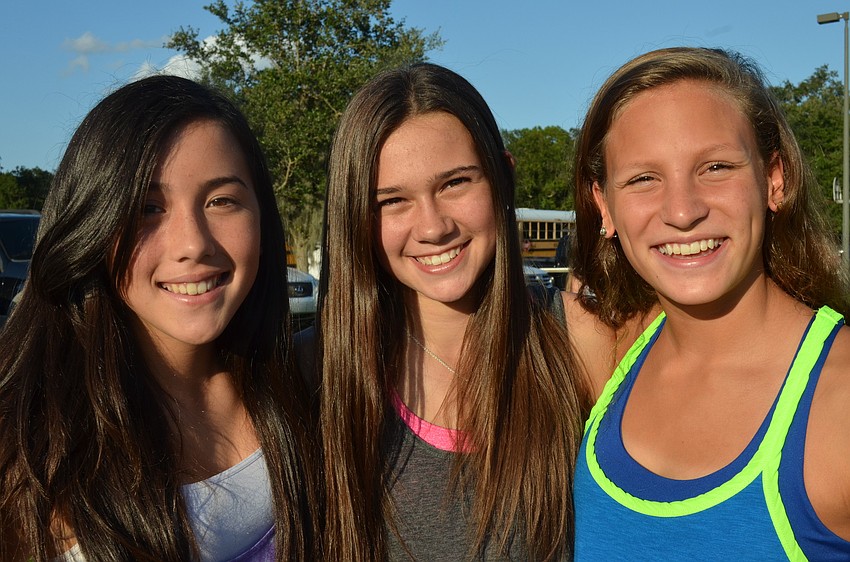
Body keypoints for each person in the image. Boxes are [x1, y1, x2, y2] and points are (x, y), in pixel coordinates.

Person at [0, 75, 318, 560]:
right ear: (92, 222)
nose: (193, 244)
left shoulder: (305, 382)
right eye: (148, 208)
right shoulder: (26, 443)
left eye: (221, 201)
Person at [570, 46, 850, 560]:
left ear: (774, 179)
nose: (682, 211)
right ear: (603, 205)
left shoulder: (839, 400)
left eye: (716, 166)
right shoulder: (612, 352)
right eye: (643, 179)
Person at [312, 62, 591, 560]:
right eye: (392, 201)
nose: (433, 226)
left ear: (502, 178)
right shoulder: (314, 371)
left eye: (455, 183)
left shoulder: (585, 340)